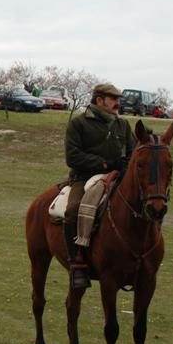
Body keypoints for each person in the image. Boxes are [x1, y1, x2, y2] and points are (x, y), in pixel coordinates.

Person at [63, 83, 135, 289]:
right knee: (72, 211)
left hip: (117, 177)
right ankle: (76, 263)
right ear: (99, 100)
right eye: (113, 99)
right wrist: (104, 164)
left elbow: (132, 151)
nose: (117, 103)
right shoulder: (78, 124)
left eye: (118, 99)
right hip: (84, 178)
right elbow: (73, 156)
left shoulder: (123, 125)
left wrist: (124, 166)